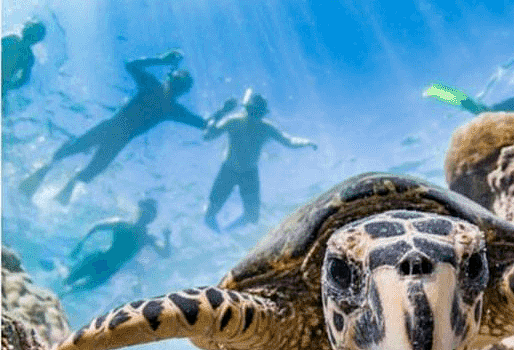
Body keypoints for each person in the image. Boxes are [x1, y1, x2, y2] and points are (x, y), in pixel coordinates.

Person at [19, 49, 217, 204]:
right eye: (178, 82)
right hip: (113, 131)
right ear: (171, 79)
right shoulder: (163, 99)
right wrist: (161, 60)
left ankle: (61, 184)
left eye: (180, 86)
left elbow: (203, 124)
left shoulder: (166, 101)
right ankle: (47, 174)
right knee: (78, 154)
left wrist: (162, 61)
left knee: (90, 166)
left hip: (115, 134)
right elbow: (131, 65)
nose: (176, 87)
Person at [203, 88, 318, 232]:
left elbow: (288, 141)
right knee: (210, 213)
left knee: (252, 217)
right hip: (229, 170)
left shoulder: (266, 127)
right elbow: (207, 136)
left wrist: (306, 142)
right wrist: (222, 112)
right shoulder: (233, 121)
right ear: (246, 109)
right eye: (252, 112)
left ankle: (227, 232)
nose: (254, 116)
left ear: (263, 114)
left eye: (258, 113)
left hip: (249, 173)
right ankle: (221, 234)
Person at [62, 198, 170, 295]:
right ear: (139, 210)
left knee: (73, 289)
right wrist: (79, 245)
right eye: (145, 211)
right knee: (68, 283)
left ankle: (60, 286)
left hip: (109, 269)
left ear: (152, 219)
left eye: (149, 213)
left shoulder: (146, 237)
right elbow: (96, 227)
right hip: (99, 260)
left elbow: (165, 254)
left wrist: (167, 238)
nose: (146, 214)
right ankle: (60, 275)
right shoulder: (123, 224)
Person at [2, 19, 46, 101]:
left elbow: (23, 80)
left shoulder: (11, 39)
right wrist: (8, 86)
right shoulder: (29, 57)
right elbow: (23, 80)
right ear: (36, 41)